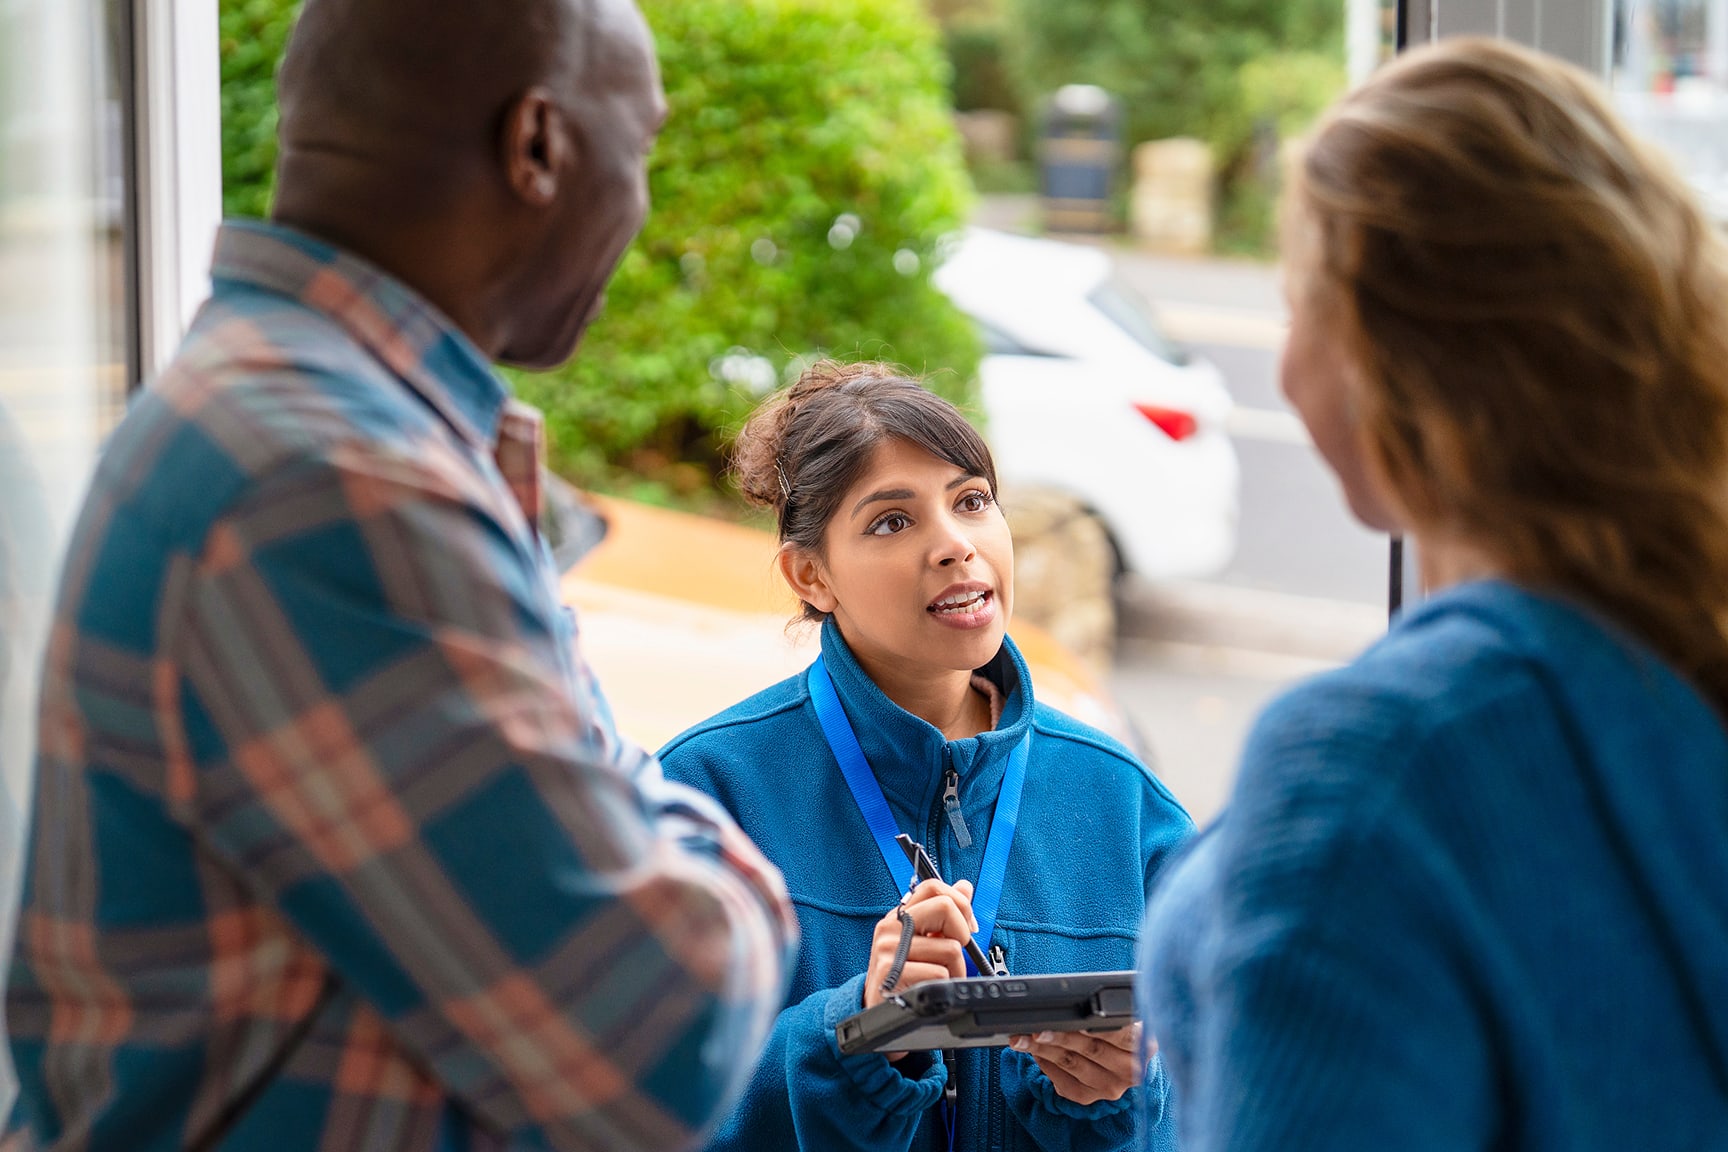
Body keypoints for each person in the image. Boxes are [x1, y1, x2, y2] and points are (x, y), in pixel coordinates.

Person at [4, 1, 797, 1149]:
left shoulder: (287, 413)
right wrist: (732, 866)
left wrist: (623, 810)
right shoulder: (330, 483)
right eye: (644, 146)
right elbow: (665, 1042)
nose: (643, 200)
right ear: (538, 146)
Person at [1138, 36, 1728, 1152]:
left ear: (1377, 349)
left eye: (1294, 304)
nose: (1284, 354)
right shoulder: (1671, 665)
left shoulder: (1379, 763)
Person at [658, 361, 1194, 1152]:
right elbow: (646, 1113)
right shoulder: (706, 796)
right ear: (811, 575)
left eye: (971, 501)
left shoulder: (1126, 805)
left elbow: (1218, 1102)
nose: (954, 545)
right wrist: (856, 1033)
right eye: (891, 521)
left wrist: (1118, 1099)